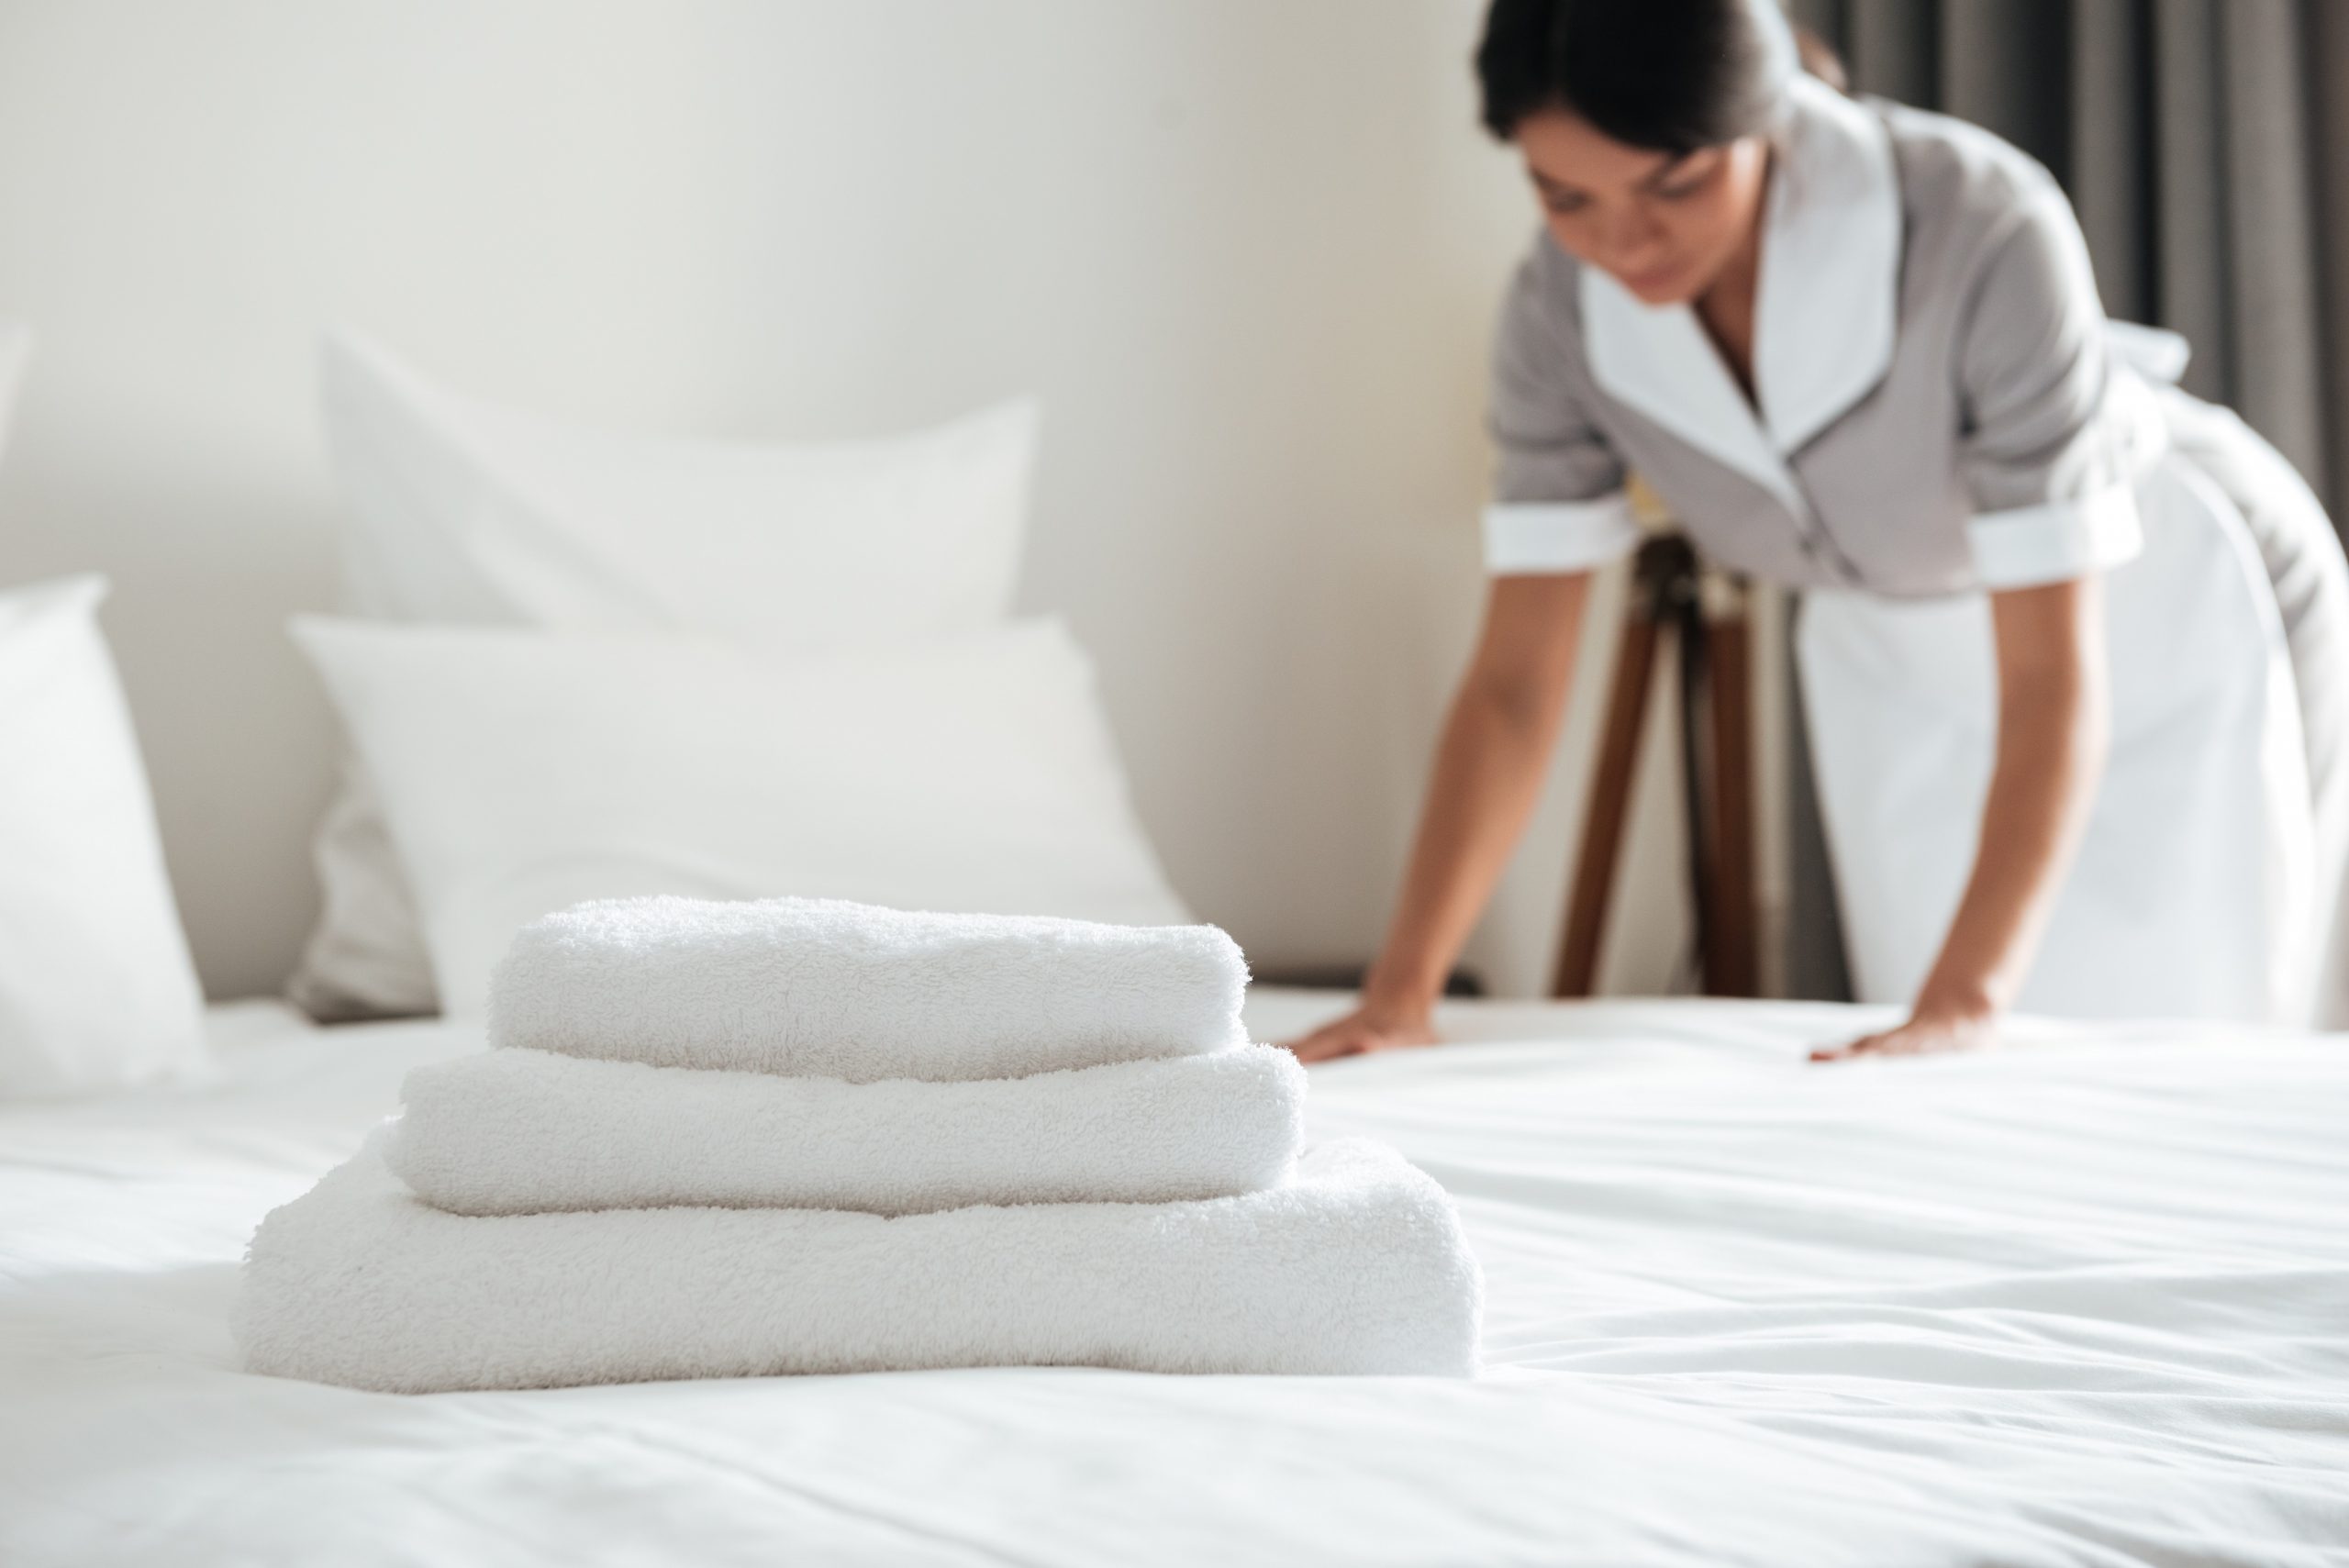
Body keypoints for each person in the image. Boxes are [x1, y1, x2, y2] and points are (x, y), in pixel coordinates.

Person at [1287, 0, 2349, 1064]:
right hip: (1888, 632)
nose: (1621, 240)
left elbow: (2047, 680)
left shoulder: (1980, 226)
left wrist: (1964, 998)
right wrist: (1400, 993)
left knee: (2179, 1012)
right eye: (1565, 197)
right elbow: (1516, 682)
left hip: (2151, 601)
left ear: (1769, 117)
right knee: (1932, 1047)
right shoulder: (1554, 316)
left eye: (1674, 184)